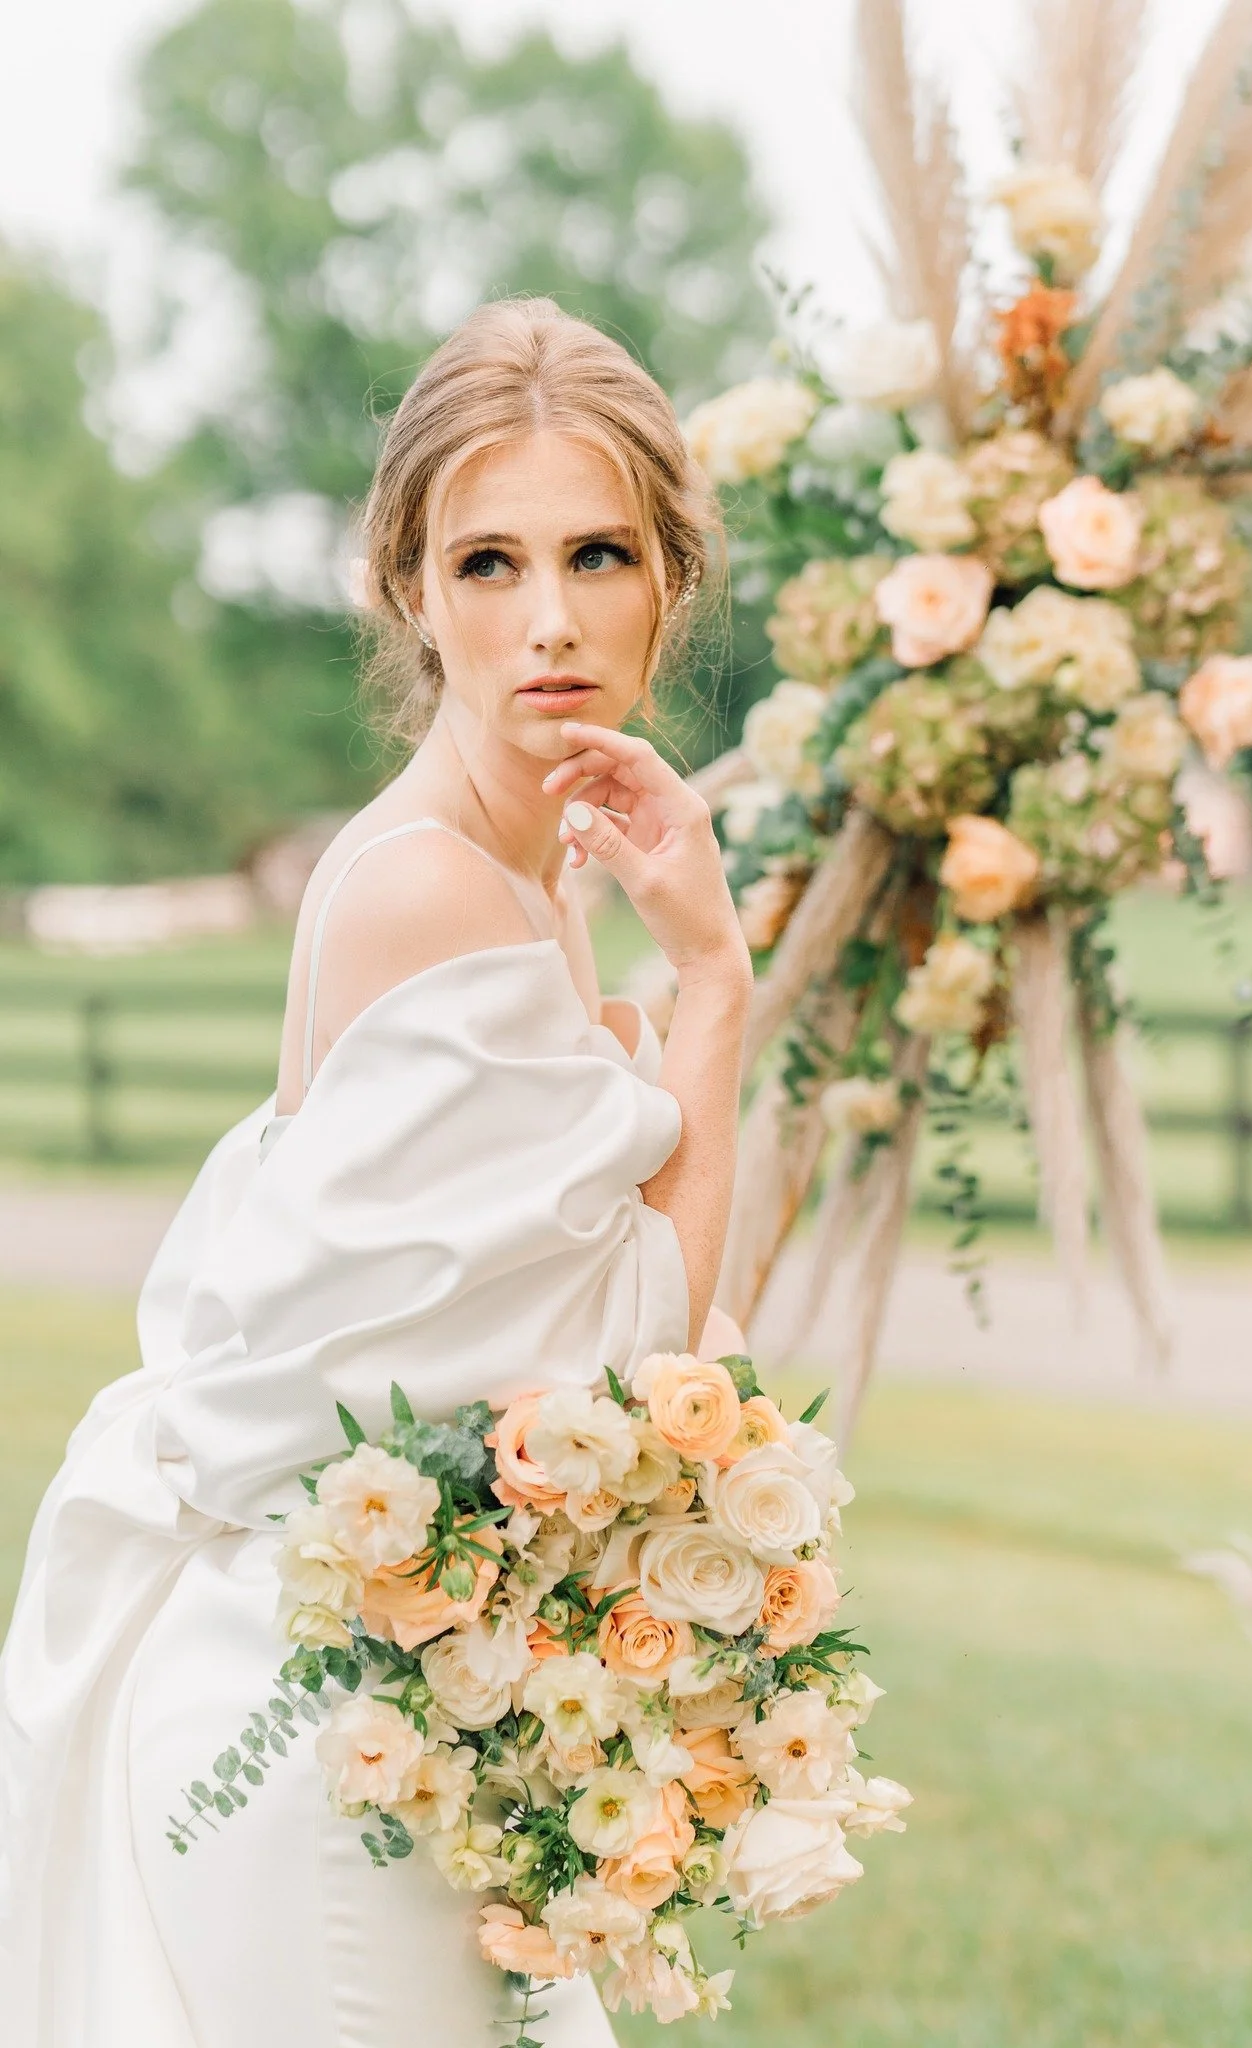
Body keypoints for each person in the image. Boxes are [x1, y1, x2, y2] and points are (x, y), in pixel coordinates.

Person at [0, 298, 752, 2047]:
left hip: (406, 1716)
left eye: (597, 555)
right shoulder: (433, 896)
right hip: (314, 1739)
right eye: (486, 562)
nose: (548, 619)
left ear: (673, 586)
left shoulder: (529, 884)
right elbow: (642, 1368)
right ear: (407, 590)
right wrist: (713, 986)